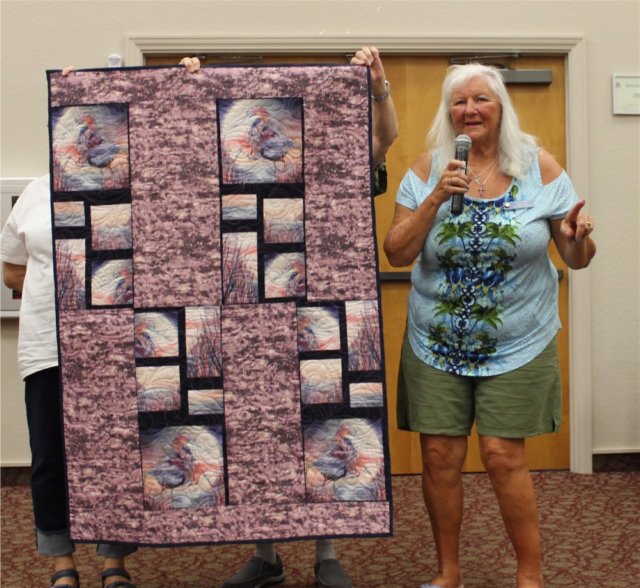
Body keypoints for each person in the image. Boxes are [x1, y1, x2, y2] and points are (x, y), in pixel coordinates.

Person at [180, 47, 398, 588]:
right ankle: (266, 554)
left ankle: (327, 554)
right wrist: (184, 91)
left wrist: (377, 87)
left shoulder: (329, 158)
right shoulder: (218, 163)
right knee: (253, 424)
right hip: (240, 312)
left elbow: (383, 139)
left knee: (321, 414)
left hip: (315, 306)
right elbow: (175, 157)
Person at [384, 62, 596, 588]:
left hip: (518, 339)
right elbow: (397, 253)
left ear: (501, 108)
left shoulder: (540, 168)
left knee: (503, 456)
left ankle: (530, 576)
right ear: (448, 111)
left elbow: (575, 258)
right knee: (439, 457)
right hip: (436, 341)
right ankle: (448, 572)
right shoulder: (428, 168)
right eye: (459, 101)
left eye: (481, 99)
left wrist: (579, 238)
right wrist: (436, 198)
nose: (470, 110)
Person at [1, 71, 138, 588]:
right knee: (49, 457)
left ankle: (113, 561)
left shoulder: (125, 187)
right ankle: (62, 562)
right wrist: (58, 289)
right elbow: (12, 271)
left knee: (112, 453)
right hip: (46, 346)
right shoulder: (35, 194)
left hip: (109, 349)